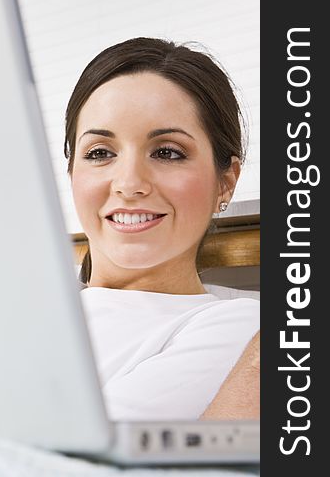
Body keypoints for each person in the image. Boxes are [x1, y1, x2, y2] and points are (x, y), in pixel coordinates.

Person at [64, 37, 259, 421]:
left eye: (167, 152)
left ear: (226, 181)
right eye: (100, 153)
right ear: (71, 172)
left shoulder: (241, 330)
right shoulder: (22, 314)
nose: (129, 183)